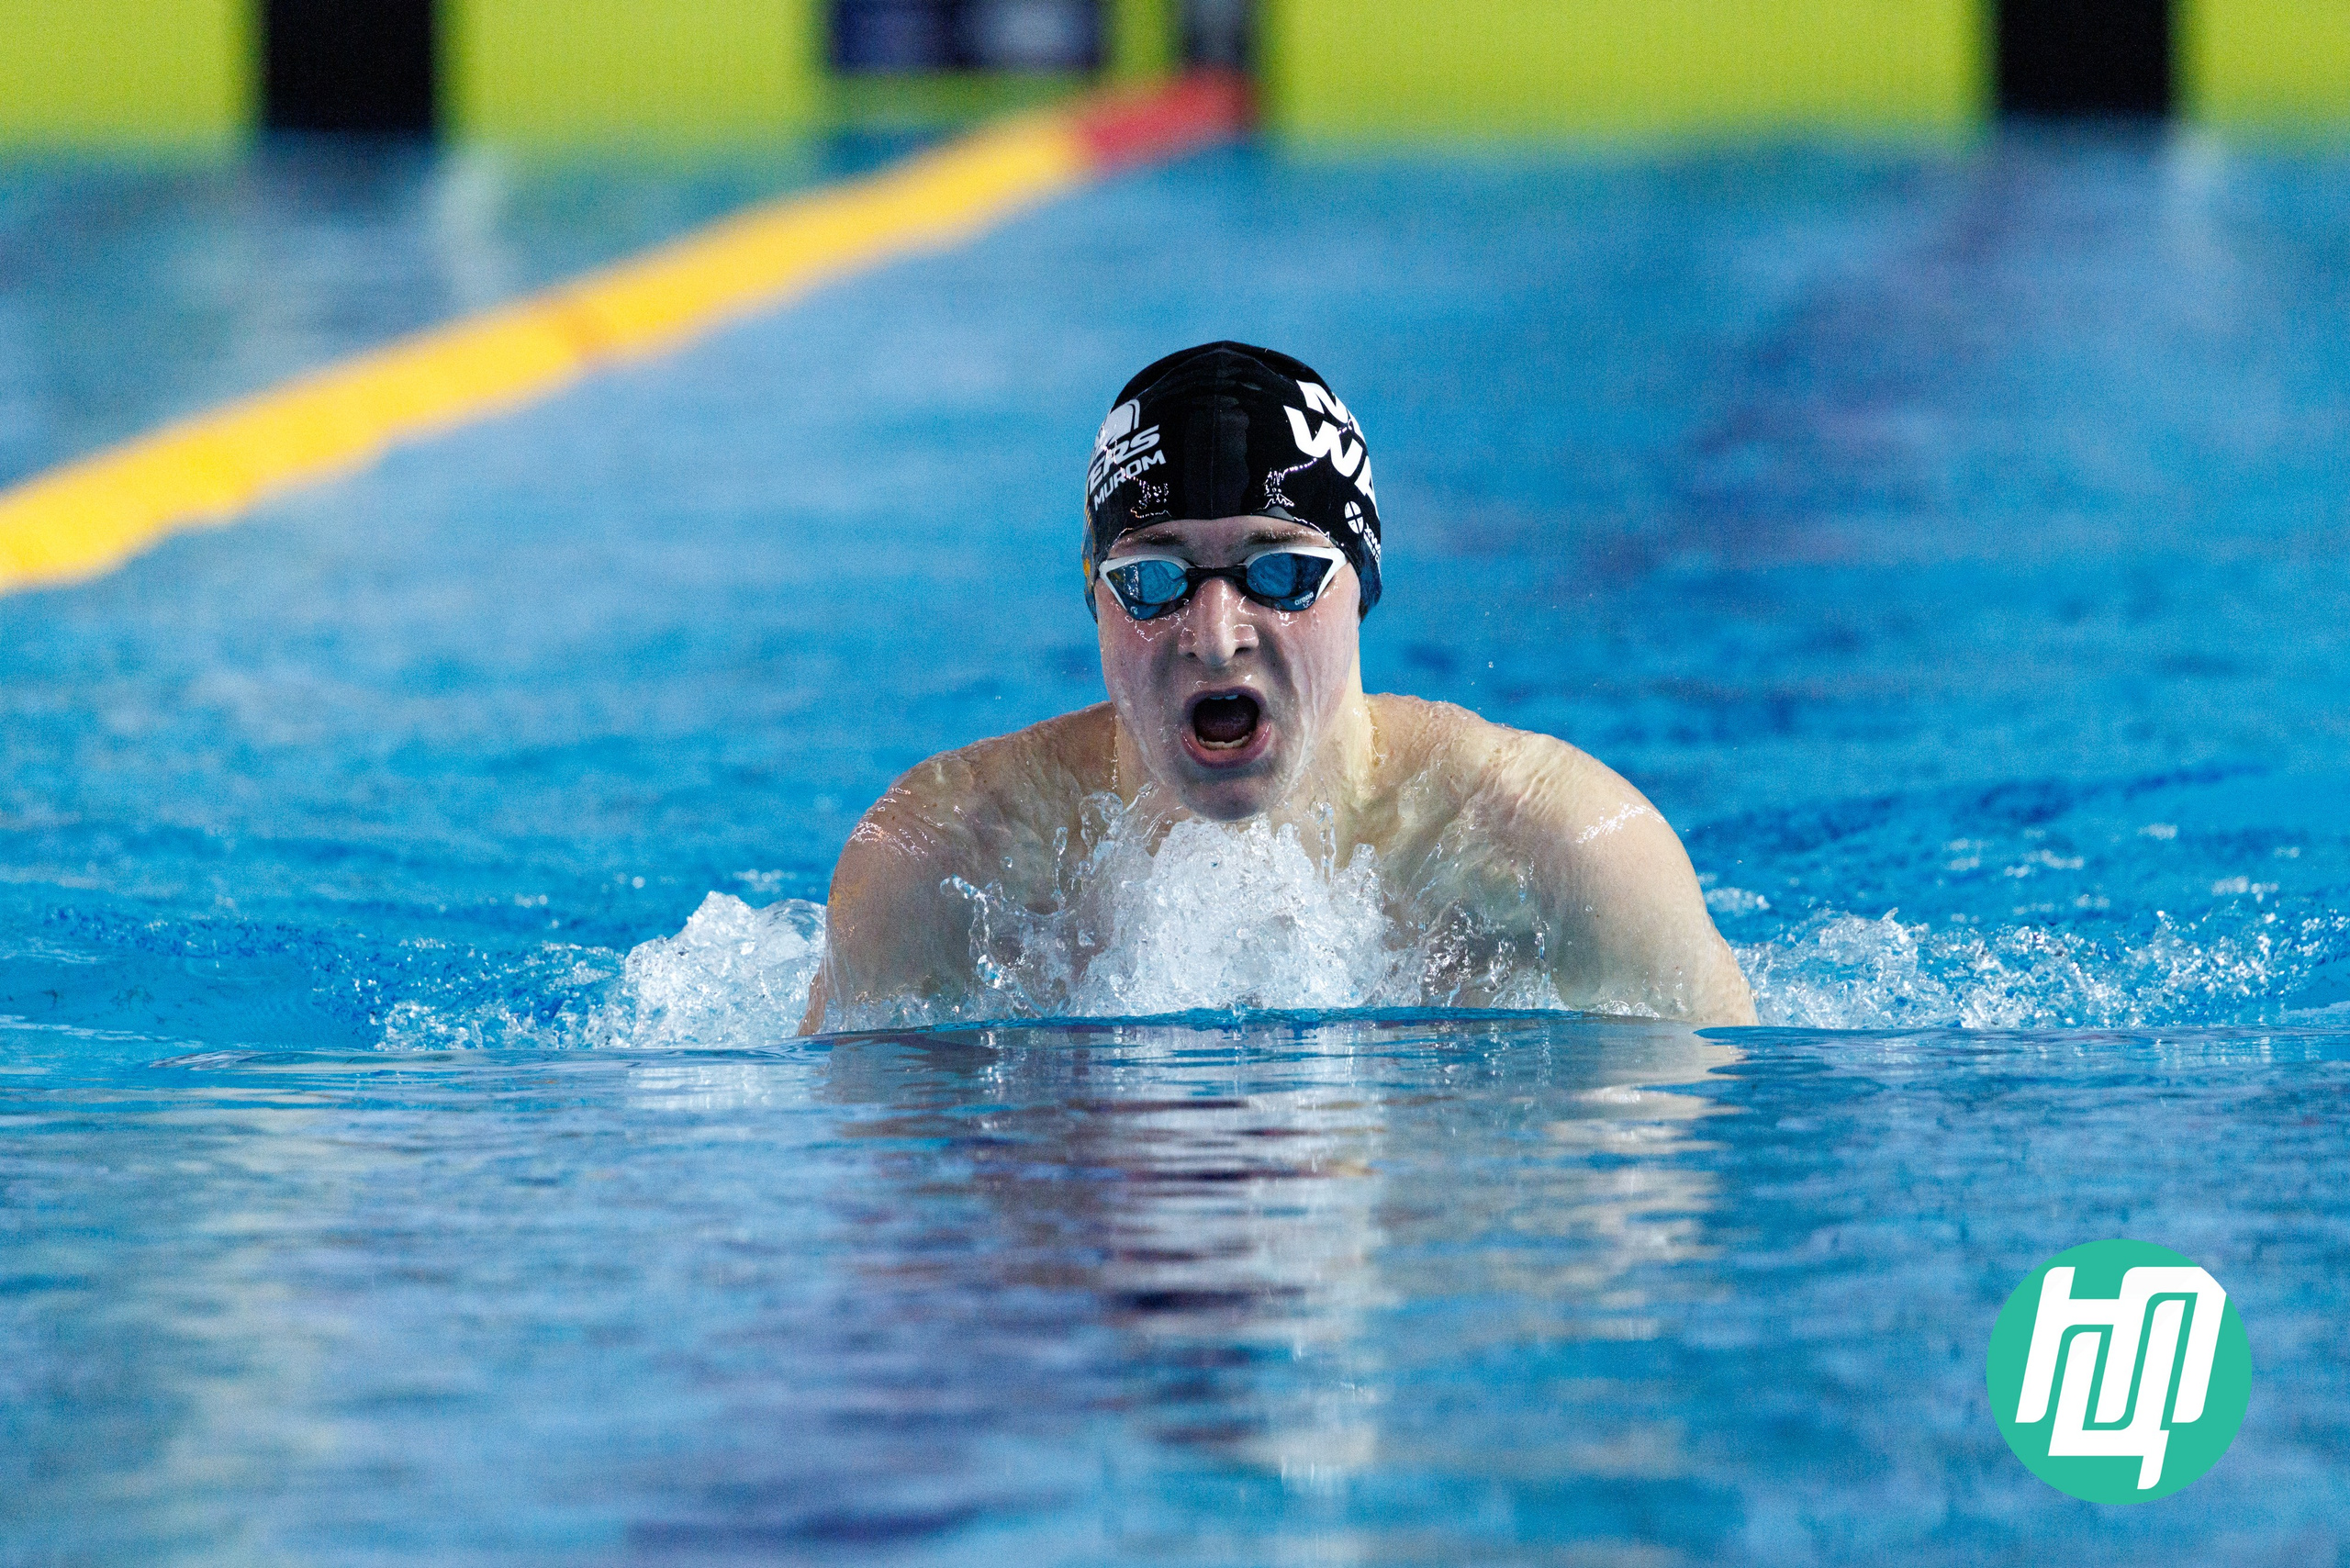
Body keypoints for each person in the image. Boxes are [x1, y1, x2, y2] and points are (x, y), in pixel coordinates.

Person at [802, 342, 1755, 1030]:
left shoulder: (1564, 861)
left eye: (1281, 574)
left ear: (1362, 587)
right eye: (1152, 581)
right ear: (1092, 598)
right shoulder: (939, 869)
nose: (1214, 641)